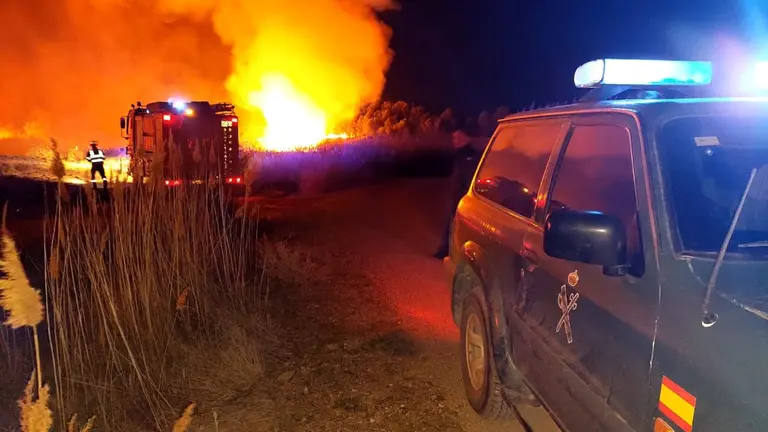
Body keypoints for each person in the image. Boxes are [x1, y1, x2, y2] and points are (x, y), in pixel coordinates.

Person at [434, 127, 483, 258]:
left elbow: (468, 176)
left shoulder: (470, 155)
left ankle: (452, 252)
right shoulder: (460, 154)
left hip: (464, 197)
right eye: (453, 138)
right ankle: (446, 250)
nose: (454, 141)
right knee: (452, 223)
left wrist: (463, 193)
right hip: (457, 195)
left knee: (458, 225)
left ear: (463, 137)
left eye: (456, 137)